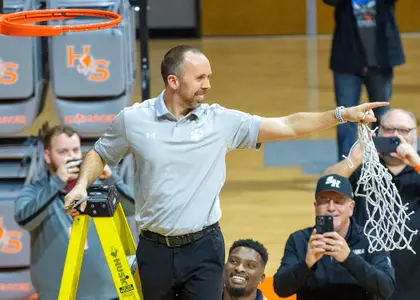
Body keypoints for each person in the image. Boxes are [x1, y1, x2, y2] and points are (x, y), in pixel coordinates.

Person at [63, 45, 388, 300]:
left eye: (209, 76)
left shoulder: (221, 121)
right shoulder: (132, 120)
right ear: (174, 81)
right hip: (153, 248)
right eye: (200, 78)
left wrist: (342, 114)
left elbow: (288, 124)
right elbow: (100, 152)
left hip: (204, 246)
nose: (208, 84)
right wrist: (81, 185)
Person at [14, 125, 135, 300]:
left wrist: (110, 177)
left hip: (108, 294)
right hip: (57, 295)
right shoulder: (35, 191)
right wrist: (57, 182)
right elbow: (24, 219)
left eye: (75, 150)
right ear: (48, 155)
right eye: (63, 152)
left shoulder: (99, 184)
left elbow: (133, 208)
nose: (71, 156)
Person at [322, 108, 420, 300]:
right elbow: (324, 185)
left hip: (413, 284)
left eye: (403, 130)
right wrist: (354, 159)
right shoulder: (362, 168)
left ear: (415, 135)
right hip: (363, 280)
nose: (396, 136)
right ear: (379, 132)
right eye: (389, 129)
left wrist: (415, 161)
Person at [273, 174, 395, 300]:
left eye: (338, 201)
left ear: (351, 207)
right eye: (324, 201)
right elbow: (281, 289)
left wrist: (349, 258)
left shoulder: (371, 239)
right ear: (315, 207)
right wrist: (306, 265)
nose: (331, 208)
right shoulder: (299, 240)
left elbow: (386, 288)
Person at [323, 0, 405, 161]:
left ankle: (381, 165)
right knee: (345, 117)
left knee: (381, 116)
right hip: (347, 62)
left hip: (381, 63)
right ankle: (346, 169)